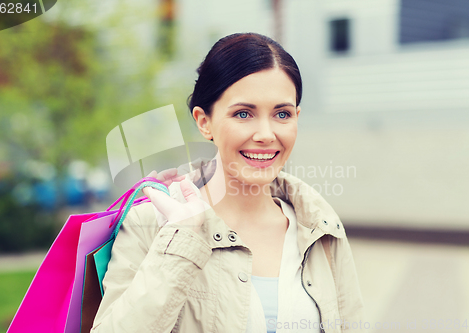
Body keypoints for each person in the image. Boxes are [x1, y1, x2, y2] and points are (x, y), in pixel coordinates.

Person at [91, 32, 363, 333]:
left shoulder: (320, 227)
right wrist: (181, 241)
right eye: (243, 113)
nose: (265, 134)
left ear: (297, 117)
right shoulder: (152, 222)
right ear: (204, 121)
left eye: (282, 114)